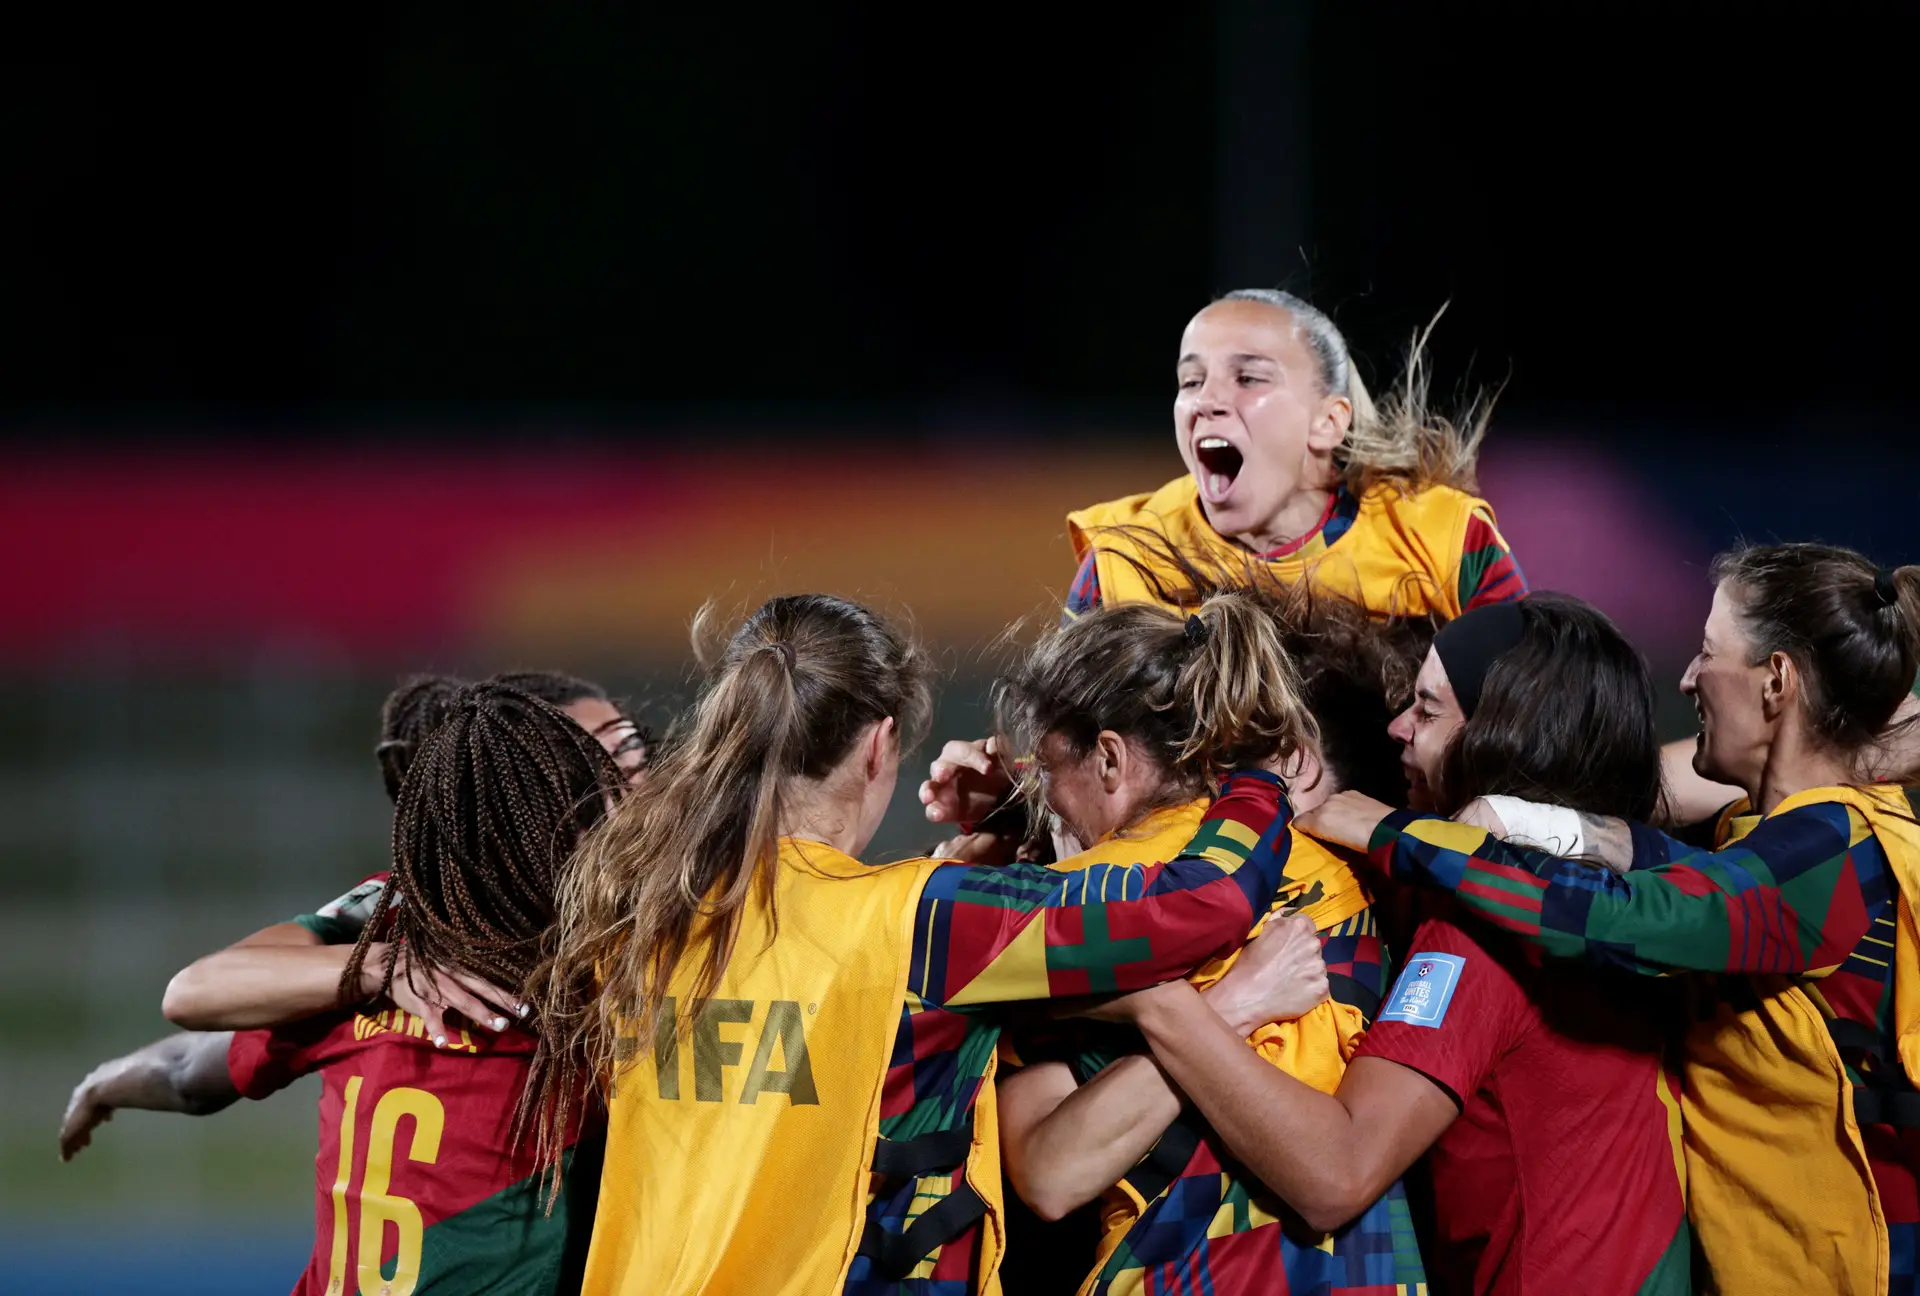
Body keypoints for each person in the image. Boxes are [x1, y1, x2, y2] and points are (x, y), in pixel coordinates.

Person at [527, 593, 1312, 1295]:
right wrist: (1255, 775)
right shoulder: (921, 920)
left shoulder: (631, 907)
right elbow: (1200, 903)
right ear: (880, 744)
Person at [1302, 545, 1920, 1296]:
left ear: (1778, 682)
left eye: (1706, 652)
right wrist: (1531, 820)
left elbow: (1633, 914)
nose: (1688, 677)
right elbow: (1655, 852)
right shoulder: (1763, 845)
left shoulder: (1833, 854)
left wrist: (1392, 834)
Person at [54, 683, 626, 1293]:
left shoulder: (370, 958)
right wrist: (379, 966)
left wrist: (103, 1082)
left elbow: (190, 1067)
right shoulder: (579, 976)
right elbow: (191, 1006)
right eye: (602, 766)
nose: (626, 788)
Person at [992, 585, 1431, 1295]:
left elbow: (1050, 1174)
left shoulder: (1066, 908)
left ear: (1108, 759)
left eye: (1046, 770)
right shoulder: (1339, 872)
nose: (1043, 801)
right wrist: (1231, 1003)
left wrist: (1164, 1007)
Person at [1064, 290, 1525, 622]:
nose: (1206, 400)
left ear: (1328, 422)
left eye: (1248, 378)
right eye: (1191, 381)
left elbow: (1530, 725)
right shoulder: (1124, 558)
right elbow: (1069, 748)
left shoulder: (1443, 542)